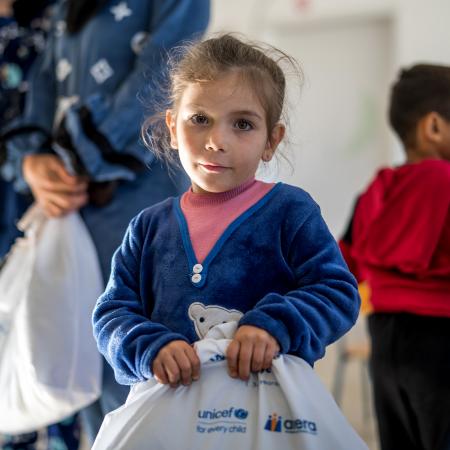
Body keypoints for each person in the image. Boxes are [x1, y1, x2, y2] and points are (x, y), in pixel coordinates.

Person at [92, 34, 360, 395]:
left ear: (271, 141)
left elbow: (337, 293)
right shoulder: (148, 227)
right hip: (171, 417)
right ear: (172, 128)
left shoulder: (291, 212)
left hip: (264, 418)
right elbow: (112, 315)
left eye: (243, 124)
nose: (217, 140)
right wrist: (150, 347)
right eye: (200, 119)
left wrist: (272, 326)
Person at [0, 0, 210, 444]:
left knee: (139, 376)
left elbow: (165, 76)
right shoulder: (64, 7)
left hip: (140, 206)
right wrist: (33, 164)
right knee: (82, 370)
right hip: (72, 215)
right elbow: (42, 91)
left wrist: (78, 155)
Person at [340, 64, 450, 450]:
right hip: (441, 339)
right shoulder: (447, 181)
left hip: (386, 341)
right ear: (433, 126)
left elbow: (341, 266)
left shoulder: (377, 189)